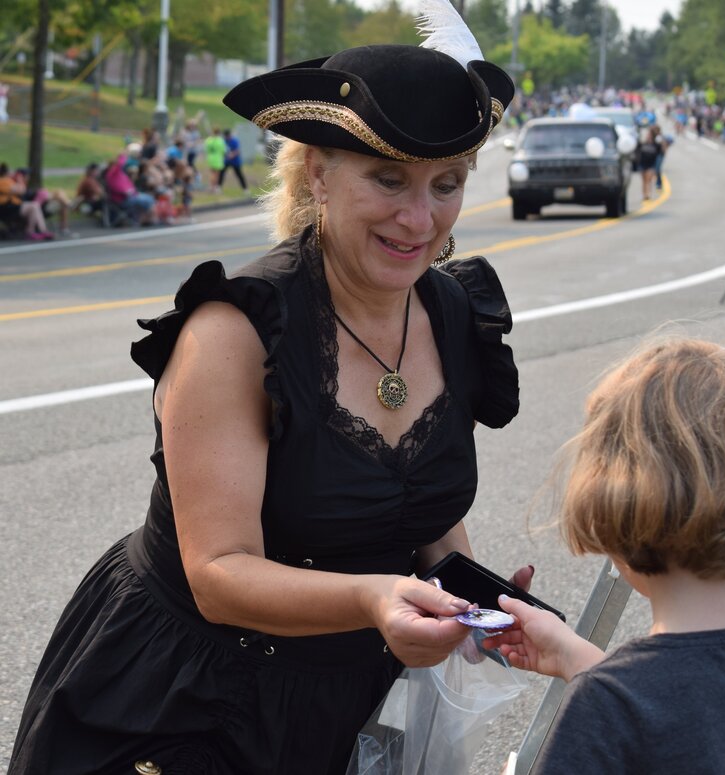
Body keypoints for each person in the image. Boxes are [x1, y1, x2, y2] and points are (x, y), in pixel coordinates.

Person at [10, 8, 527, 774]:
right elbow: (219, 574)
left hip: (357, 696)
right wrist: (374, 601)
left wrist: (473, 599)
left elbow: (429, 514)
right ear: (318, 172)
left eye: (445, 184)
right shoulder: (236, 332)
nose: (420, 219)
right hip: (198, 699)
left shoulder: (452, 311)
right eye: (389, 179)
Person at [486, 332, 725, 774]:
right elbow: (692, 708)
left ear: (617, 500)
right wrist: (576, 657)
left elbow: (654, 703)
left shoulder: (605, 706)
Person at [0, 162, 54, 239]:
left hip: (13, 207)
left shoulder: (8, 181)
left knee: (34, 206)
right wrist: (20, 180)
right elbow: (21, 190)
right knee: (34, 206)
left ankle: (40, 230)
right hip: (7, 208)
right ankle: (32, 231)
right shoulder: (2, 181)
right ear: (5, 173)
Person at [219, 127, 249, 191]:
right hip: (226, 161)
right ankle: (218, 187)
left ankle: (245, 189)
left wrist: (231, 155)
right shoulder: (223, 141)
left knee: (239, 175)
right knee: (221, 173)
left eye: (227, 136)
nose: (226, 137)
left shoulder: (235, 141)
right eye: (225, 136)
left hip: (235, 161)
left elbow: (237, 151)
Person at [203, 126, 227, 193]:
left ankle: (211, 186)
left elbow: (206, 149)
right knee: (216, 174)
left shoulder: (208, 140)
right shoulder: (220, 140)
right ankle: (214, 187)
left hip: (210, 157)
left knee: (212, 173)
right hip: (217, 158)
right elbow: (223, 150)